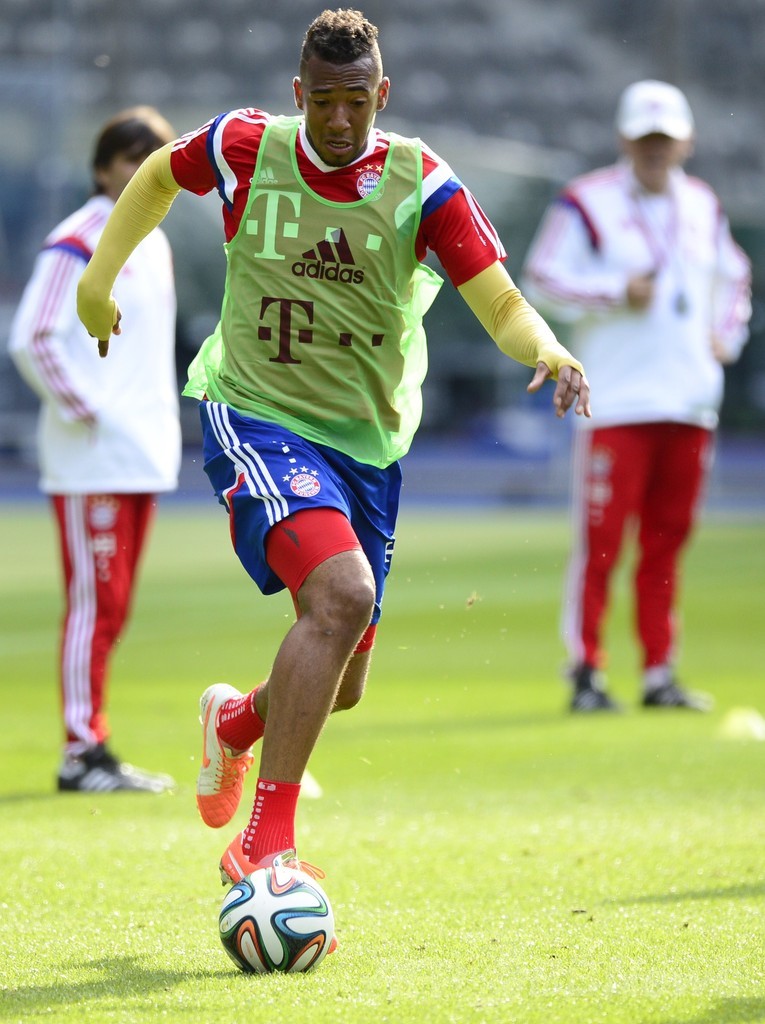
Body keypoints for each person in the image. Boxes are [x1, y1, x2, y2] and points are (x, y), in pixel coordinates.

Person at [76, 9, 590, 885]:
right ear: (298, 93)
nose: (340, 119)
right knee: (342, 595)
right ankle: (264, 844)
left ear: (382, 94)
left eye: (356, 101)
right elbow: (158, 175)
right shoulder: (246, 146)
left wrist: (547, 347)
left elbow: (501, 302)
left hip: (365, 449)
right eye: (323, 101)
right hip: (255, 413)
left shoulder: (423, 184)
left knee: (342, 681)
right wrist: (99, 276)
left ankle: (235, 722)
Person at [522, 79, 751, 713]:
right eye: (645, 137)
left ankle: (658, 672)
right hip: (615, 401)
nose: (655, 148)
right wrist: (615, 290)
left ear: (686, 142)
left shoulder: (702, 204)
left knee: (668, 542)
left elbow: (735, 277)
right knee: (600, 543)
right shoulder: (585, 201)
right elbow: (541, 278)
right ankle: (586, 672)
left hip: (690, 401)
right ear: (624, 139)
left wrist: (726, 334)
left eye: (666, 138)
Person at [9, 106, 180, 791]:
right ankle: (81, 754)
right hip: (94, 459)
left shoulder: (154, 242)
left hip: (140, 455)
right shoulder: (78, 238)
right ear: (104, 167)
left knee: (113, 608)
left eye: (157, 162)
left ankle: (93, 748)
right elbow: (33, 338)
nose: (144, 175)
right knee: (95, 607)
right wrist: (92, 413)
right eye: (133, 160)